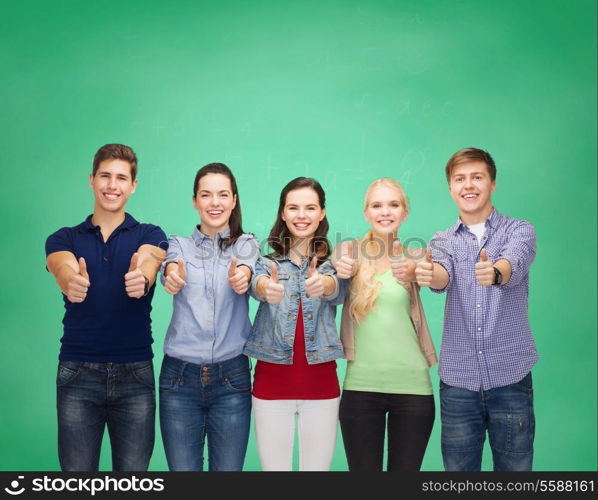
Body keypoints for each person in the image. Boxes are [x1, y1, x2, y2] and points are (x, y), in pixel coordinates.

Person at [45, 144, 167, 471]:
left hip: (135, 374)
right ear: (92, 180)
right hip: (77, 374)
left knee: (132, 481)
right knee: (77, 479)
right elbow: (61, 266)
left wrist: (142, 276)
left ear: (133, 185)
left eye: (121, 178)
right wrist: (70, 280)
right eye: (105, 176)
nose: (112, 185)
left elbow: (149, 261)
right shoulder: (64, 238)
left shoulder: (151, 233)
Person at [415, 147, 537, 471]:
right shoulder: (442, 240)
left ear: (492, 184)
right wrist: (430, 275)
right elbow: (441, 274)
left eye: (477, 177)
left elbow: (516, 260)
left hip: (510, 377)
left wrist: (496, 272)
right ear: (451, 187)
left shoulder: (519, 230)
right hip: (459, 382)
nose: (468, 185)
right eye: (460, 179)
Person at [331, 178, 437, 471]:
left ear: (405, 213)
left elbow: (435, 274)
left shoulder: (415, 256)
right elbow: (333, 274)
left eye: (394, 204)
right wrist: (340, 270)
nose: (385, 211)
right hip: (361, 388)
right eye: (377, 205)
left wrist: (418, 270)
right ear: (366, 213)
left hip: (413, 390)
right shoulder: (347, 251)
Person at [159, 163, 259, 471]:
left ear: (233, 200)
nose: (214, 202)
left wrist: (242, 277)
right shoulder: (179, 244)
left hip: (232, 380)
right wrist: (172, 275)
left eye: (222, 195)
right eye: (206, 195)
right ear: (195, 201)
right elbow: (171, 265)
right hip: (179, 380)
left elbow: (246, 268)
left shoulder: (246, 243)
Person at [243, 177, 344, 471]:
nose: (302, 215)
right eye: (294, 208)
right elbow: (255, 283)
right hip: (271, 387)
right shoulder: (265, 263)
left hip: (322, 387)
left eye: (310, 207)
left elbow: (338, 289)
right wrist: (265, 289)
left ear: (322, 213)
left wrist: (324, 284)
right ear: (283, 213)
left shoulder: (333, 264)